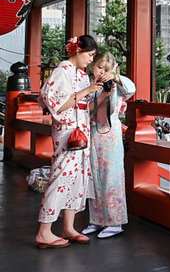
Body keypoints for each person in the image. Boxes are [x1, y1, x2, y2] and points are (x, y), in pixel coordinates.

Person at [35, 35, 102, 249]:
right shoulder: (62, 70)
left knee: (78, 178)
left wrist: (102, 93)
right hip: (66, 132)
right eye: (89, 55)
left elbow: (86, 106)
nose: (90, 60)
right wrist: (86, 91)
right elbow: (55, 104)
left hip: (81, 128)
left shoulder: (82, 76)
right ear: (77, 50)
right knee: (60, 177)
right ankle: (44, 231)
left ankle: (68, 227)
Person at [82, 52, 136, 239]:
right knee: (94, 177)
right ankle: (96, 220)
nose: (100, 72)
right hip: (92, 132)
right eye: (98, 67)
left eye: (105, 69)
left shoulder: (116, 84)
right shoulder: (89, 85)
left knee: (111, 177)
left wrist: (115, 78)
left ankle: (115, 222)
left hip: (110, 134)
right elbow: (85, 108)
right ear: (92, 66)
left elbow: (131, 89)